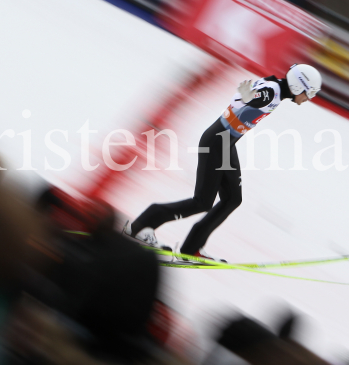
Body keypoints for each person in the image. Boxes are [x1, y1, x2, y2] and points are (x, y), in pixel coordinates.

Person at [124, 64, 322, 260]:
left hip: (226, 144)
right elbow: (255, 98)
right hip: (217, 143)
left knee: (232, 199)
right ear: (298, 86)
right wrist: (249, 99)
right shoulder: (271, 91)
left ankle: (191, 248)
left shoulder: (276, 88)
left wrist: (248, 98)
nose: (308, 99)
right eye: (309, 93)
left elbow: (253, 95)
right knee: (202, 202)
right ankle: (141, 226)